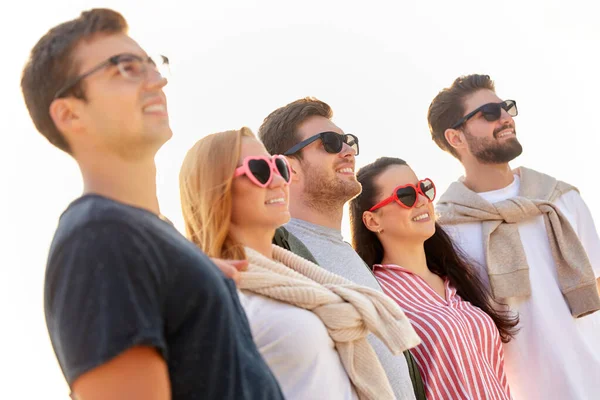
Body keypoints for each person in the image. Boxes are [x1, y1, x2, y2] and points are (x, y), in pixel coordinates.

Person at [21, 9, 283, 400]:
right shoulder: (99, 237)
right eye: (124, 68)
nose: (157, 80)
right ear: (70, 113)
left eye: (151, 64)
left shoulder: (143, 238)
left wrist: (189, 273)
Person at [179, 127, 420, 400]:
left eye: (279, 167)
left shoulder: (302, 277)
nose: (278, 180)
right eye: (259, 170)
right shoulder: (214, 290)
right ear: (216, 187)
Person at [427, 73, 600, 399]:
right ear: (456, 137)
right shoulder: (446, 230)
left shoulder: (561, 199)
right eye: (489, 113)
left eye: (505, 108)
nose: (505, 118)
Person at [258, 97, 426, 400]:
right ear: (288, 167)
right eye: (330, 142)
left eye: (348, 141)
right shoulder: (276, 251)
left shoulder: (351, 256)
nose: (348, 151)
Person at [349, 157, 518, 400]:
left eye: (423, 189)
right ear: (373, 221)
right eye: (405, 195)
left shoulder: (457, 280)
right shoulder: (376, 295)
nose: (421, 201)